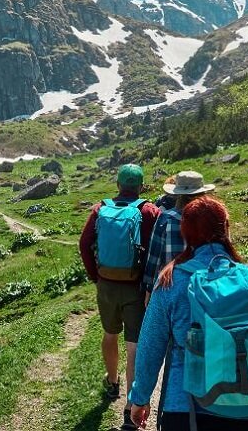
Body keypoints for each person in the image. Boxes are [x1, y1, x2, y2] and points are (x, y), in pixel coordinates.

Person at [128, 197, 248, 431]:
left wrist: (140, 398)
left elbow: (150, 347)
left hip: (185, 407)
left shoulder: (172, 281)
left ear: (186, 234)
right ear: (226, 229)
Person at [79, 164, 161, 431]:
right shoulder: (147, 211)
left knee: (109, 333)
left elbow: (84, 243)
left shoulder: (100, 209)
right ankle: (129, 408)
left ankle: (112, 382)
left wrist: (96, 276)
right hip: (135, 288)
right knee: (133, 347)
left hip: (106, 284)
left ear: (118, 185)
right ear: (140, 186)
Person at [141, 171, 215, 302]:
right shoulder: (212, 218)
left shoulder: (166, 218)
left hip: (172, 286)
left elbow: (154, 257)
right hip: (206, 287)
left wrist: (149, 288)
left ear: (178, 194)